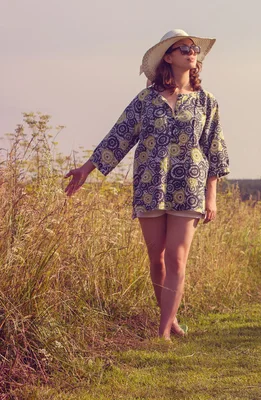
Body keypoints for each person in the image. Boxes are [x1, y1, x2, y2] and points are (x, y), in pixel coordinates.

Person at [63, 29, 230, 341]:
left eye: (193, 48)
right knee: (157, 259)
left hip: (189, 186)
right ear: (168, 57)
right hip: (149, 185)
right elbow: (119, 136)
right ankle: (171, 317)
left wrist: (212, 197)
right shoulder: (146, 100)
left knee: (176, 258)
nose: (190, 51)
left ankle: (163, 331)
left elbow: (215, 151)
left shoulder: (208, 102)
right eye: (183, 48)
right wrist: (87, 168)